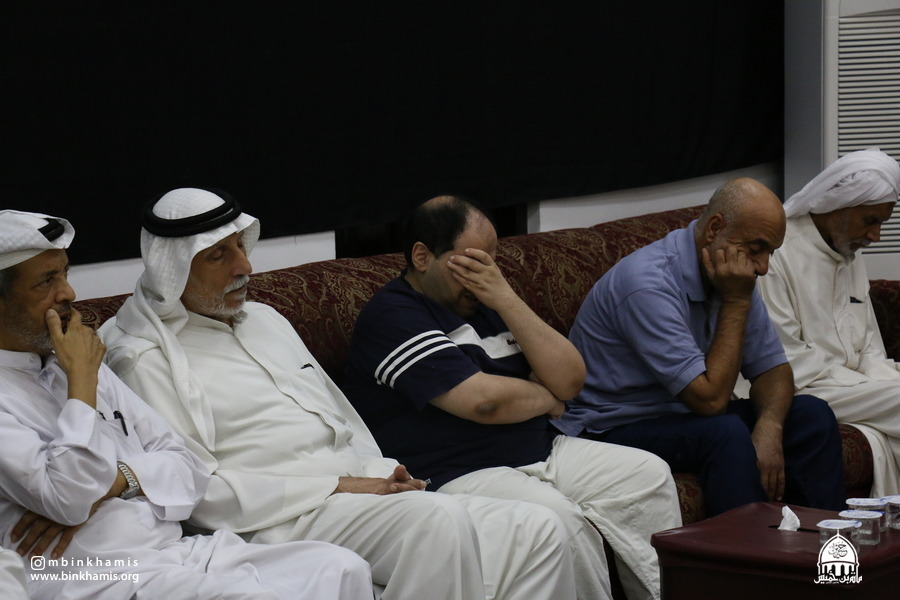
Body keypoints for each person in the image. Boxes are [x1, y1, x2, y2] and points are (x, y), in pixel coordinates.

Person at [100, 188, 577, 600]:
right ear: (173, 268)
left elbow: (343, 418)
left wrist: (383, 474)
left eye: (240, 246)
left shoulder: (264, 318)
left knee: (541, 529)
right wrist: (338, 486)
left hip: (359, 491)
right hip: (276, 518)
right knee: (437, 523)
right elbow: (193, 490)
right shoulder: (142, 358)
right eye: (219, 255)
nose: (245, 266)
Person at [0, 209, 373, 600]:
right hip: (89, 574)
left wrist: (119, 479)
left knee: (341, 568)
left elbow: (189, 468)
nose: (68, 294)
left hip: (173, 551)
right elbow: (72, 499)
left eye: (65, 274)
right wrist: (81, 385)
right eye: (46, 281)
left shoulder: (75, 358)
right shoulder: (77, 366)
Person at [344, 195, 682, 600]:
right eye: (472, 262)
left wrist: (505, 297)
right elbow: (484, 402)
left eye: (492, 261)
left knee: (648, 473)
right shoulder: (393, 316)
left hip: (540, 449)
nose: (484, 274)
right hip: (456, 471)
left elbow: (571, 380)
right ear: (422, 257)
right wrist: (546, 397)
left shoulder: (489, 297)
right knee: (560, 520)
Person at [553, 178, 847, 517]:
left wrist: (769, 427)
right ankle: (748, 549)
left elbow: (773, 370)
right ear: (715, 229)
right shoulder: (648, 285)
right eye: (756, 248)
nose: (763, 267)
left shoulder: (732, 271)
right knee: (725, 432)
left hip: (681, 417)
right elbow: (709, 402)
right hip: (612, 426)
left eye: (771, 252)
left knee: (812, 415)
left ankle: (826, 542)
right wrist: (735, 302)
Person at [757, 149, 900, 495]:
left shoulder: (847, 247)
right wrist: (873, 385)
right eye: (870, 221)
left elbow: (869, 346)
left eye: (881, 223)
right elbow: (789, 361)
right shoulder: (776, 253)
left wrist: (882, 379)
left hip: (853, 387)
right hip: (802, 390)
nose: (876, 236)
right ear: (839, 205)